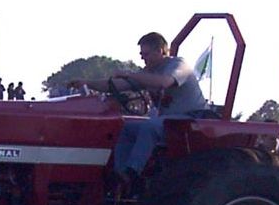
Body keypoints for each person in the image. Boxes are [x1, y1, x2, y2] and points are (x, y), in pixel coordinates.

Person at [70, 31, 206, 192]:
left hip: (191, 120)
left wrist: (130, 74)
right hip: (168, 121)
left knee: (150, 126)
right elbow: (117, 85)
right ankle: (119, 175)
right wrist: (87, 83)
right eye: (141, 54)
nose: (142, 58)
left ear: (160, 51)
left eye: (145, 54)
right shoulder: (148, 73)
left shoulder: (178, 65)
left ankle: (132, 172)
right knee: (125, 127)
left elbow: (164, 82)